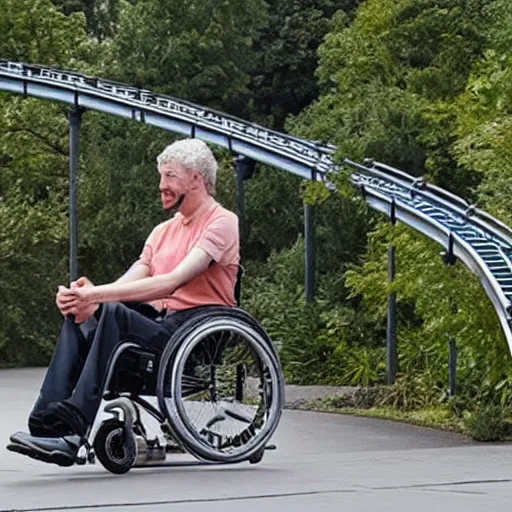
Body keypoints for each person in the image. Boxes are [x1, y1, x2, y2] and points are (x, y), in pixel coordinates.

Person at [7, 138, 240, 466]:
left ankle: (72, 433)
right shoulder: (162, 232)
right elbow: (131, 280)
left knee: (112, 311)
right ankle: (48, 425)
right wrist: (86, 299)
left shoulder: (222, 222)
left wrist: (100, 297)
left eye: (170, 177)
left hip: (193, 331)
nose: (162, 186)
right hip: (159, 324)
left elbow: (174, 281)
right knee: (84, 314)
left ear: (196, 180)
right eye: (161, 177)